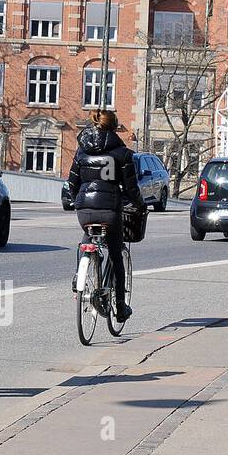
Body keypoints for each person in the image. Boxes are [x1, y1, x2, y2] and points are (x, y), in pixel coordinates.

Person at [65, 109, 145, 322]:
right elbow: (131, 188)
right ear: (114, 127)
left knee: (86, 240)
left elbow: (72, 183)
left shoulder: (81, 151)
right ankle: (120, 307)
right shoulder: (122, 153)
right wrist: (140, 205)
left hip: (84, 209)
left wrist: (77, 199)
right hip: (110, 209)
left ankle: (78, 276)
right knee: (117, 254)